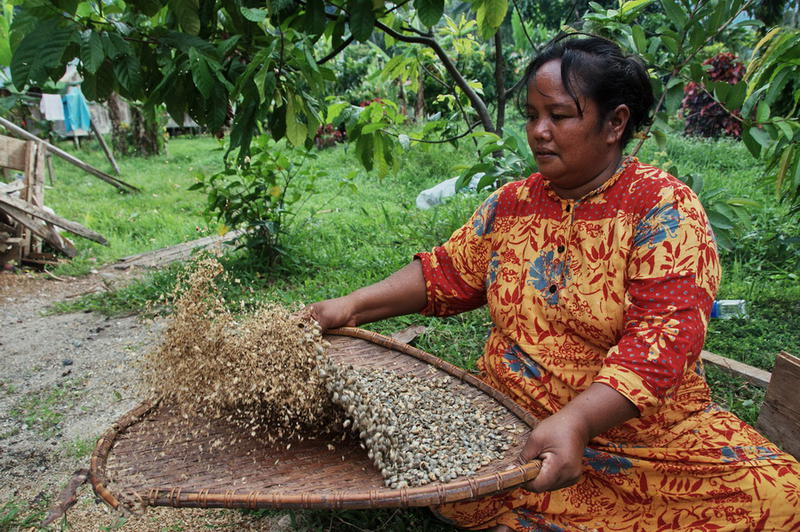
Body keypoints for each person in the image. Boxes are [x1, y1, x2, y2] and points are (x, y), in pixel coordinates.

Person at [310, 36, 800, 531]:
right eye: (530, 115)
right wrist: (348, 306)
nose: (539, 132)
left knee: (786, 497)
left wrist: (578, 421)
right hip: (515, 423)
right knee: (468, 490)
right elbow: (446, 272)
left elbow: (662, 344)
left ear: (615, 123)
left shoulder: (663, 209)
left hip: (648, 439)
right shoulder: (512, 204)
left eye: (560, 116)